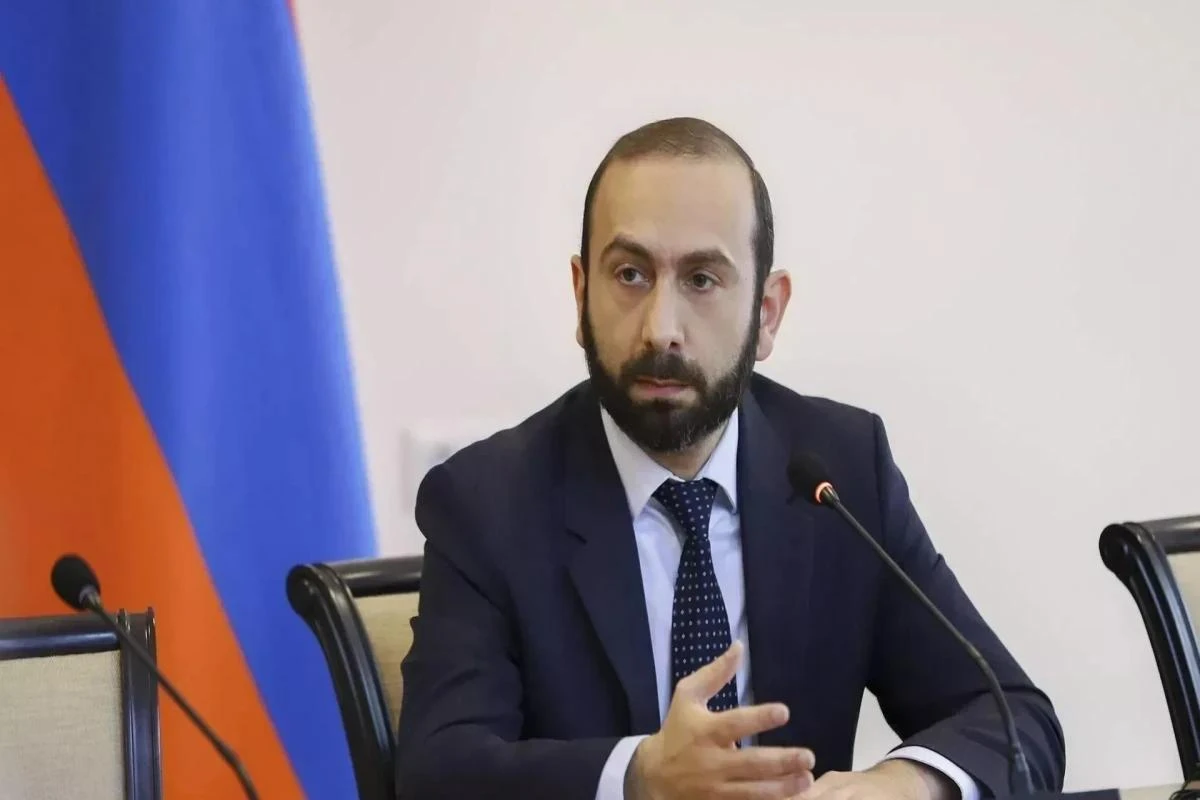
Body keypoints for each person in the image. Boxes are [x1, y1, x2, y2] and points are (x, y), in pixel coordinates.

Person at [394, 117, 1065, 800]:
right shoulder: (488, 503)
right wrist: (637, 776)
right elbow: (436, 772)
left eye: (702, 279)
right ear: (581, 293)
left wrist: (907, 785)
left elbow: (1013, 719)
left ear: (766, 313)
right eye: (630, 274)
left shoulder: (841, 471)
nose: (661, 329)